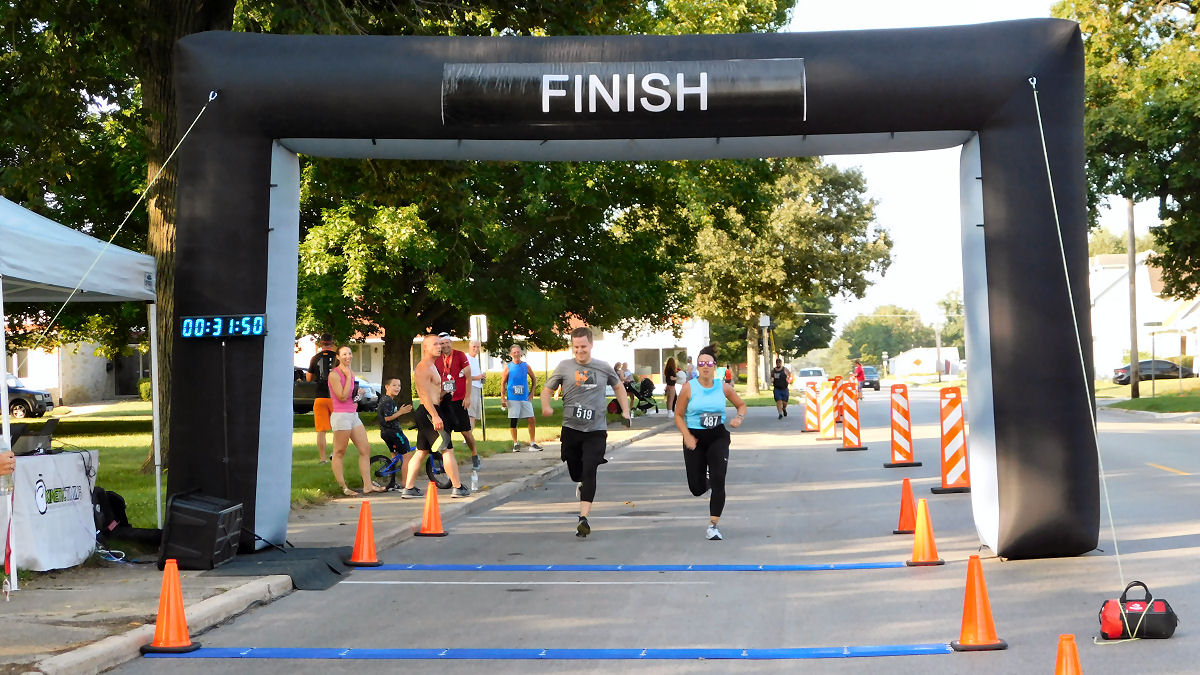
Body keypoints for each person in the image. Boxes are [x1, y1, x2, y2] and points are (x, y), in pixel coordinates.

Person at [541, 326, 630, 538]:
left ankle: (583, 519)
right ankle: (581, 484)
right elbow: (547, 390)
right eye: (576, 347)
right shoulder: (564, 366)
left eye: (583, 346)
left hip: (595, 430)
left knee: (590, 469)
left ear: (591, 345)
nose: (580, 351)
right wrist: (546, 406)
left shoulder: (603, 367)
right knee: (576, 473)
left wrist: (626, 411)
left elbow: (618, 387)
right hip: (571, 429)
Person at [675, 345, 748, 541]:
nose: (705, 367)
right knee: (696, 488)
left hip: (718, 436)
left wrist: (739, 418)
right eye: (701, 364)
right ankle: (707, 481)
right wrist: (686, 436)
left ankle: (713, 526)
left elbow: (741, 405)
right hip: (695, 438)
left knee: (719, 479)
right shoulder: (689, 388)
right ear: (697, 367)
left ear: (714, 366)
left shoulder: (723, 387)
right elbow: (678, 415)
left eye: (708, 363)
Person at [402, 335, 470, 498]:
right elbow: (424, 395)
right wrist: (435, 416)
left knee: (421, 451)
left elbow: (433, 393)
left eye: (440, 344)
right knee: (447, 450)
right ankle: (458, 487)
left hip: (431, 410)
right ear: (425, 347)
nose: (439, 347)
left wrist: (444, 392)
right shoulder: (423, 367)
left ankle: (409, 489)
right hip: (429, 412)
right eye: (435, 344)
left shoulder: (432, 366)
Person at [329, 345, 384, 495]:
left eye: (349, 353)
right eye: (344, 354)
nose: (348, 356)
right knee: (339, 452)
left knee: (365, 449)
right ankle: (344, 487)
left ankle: (368, 485)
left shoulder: (350, 372)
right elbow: (341, 396)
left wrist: (359, 395)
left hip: (353, 415)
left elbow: (351, 398)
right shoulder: (334, 374)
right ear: (338, 357)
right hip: (341, 416)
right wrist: (347, 377)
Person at [434, 333, 479, 476]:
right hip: (444, 401)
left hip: (459, 400)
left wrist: (467, 396)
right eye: (442, 343)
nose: (445, 345)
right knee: (445, 433)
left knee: (465, 431)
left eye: (447, 343)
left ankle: (474, 454)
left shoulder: (460, 355)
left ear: (451, 343)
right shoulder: (436, 358)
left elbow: (468, 377)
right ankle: (445, 462)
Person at [501, 343, 541, 452]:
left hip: (524, 397)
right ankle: (515, 443)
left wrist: (532, 393)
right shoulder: (508, 367)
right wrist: (502, 397)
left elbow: (534, 379)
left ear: (521, 353)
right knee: (514, 420)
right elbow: (503, 382)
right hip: (512, 398)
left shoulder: (526, 366)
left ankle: (532, 443)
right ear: (511, 354)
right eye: (514, 352)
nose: (516, 354)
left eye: (518, 352)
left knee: (531, 418)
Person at [376, 378, 414, 491]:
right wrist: (400, 412)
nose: (397, 388)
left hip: (385, 433)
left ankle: (391, 482)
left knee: (395, 457)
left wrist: (398, 412)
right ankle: (407, 485)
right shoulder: (388, 401)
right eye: (394, 385)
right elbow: (387, 418)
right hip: (394, 433)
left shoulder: (386, 399)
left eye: (399, 385)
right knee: (407, 456)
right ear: (387, 387)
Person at [305, 334, 338, 463]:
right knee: (337, 428)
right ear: (332, 343)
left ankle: (323, 459)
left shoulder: (315, 358)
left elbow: (309, 378)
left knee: (321, 430)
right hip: (335, 397)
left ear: (320, 343)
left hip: (320, 397)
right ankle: (334, 454)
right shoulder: (338, 357)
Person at [465, 340, 486, 469]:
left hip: (477, 388)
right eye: (474, 346)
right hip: (471, 388)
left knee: (475, 415)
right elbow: (464, 376)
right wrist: (477, 377)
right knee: (471, 415)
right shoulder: (466, 358)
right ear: (469, 347)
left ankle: (469, 436)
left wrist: (481, 377)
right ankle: (467, 437)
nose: (476, 349)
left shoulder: (476, 360)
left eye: (478, 347)